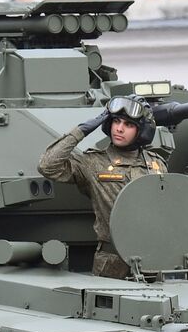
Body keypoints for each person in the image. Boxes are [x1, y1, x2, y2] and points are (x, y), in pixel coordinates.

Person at [39, 97, 167, 280]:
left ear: (142, 131)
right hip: (111, 262)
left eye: (128, 125)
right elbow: (47, 166)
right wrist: (82, 130)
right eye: (116, 121)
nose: (119, 129)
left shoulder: (157, 164)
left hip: (153, 260)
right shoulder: (93, 162)